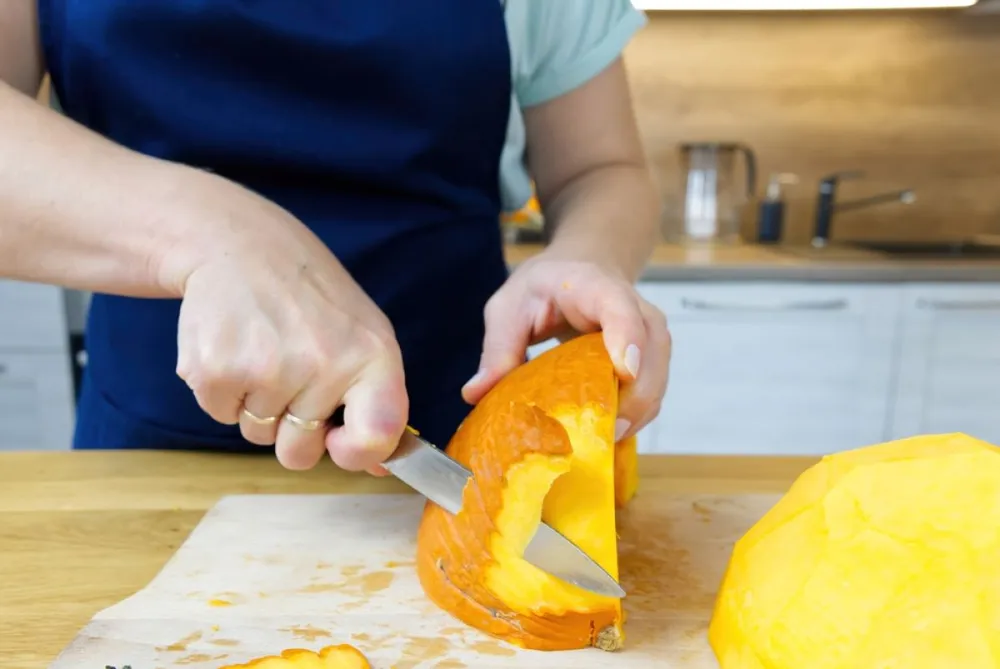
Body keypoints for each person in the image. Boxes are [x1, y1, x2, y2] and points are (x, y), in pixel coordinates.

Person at [0, 0, 671, 475]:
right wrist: (211, 231)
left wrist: (585, 256)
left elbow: (601, 169)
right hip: (149, 450)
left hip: (450, 429)